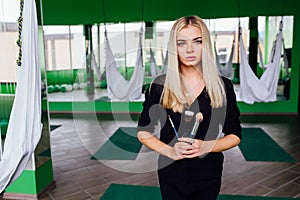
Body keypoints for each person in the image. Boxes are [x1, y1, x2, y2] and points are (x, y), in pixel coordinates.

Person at [137, 15, 242, 200]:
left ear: (206, 45)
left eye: (197, 41)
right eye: (181, 43)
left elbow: (234, 135)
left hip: (209, 173)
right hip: (171, 173)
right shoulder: (159, 87)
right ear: (173, 47)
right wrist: (169, 150)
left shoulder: (223, 87)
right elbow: (143, 132)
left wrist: (207, 147)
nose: (190, 49)